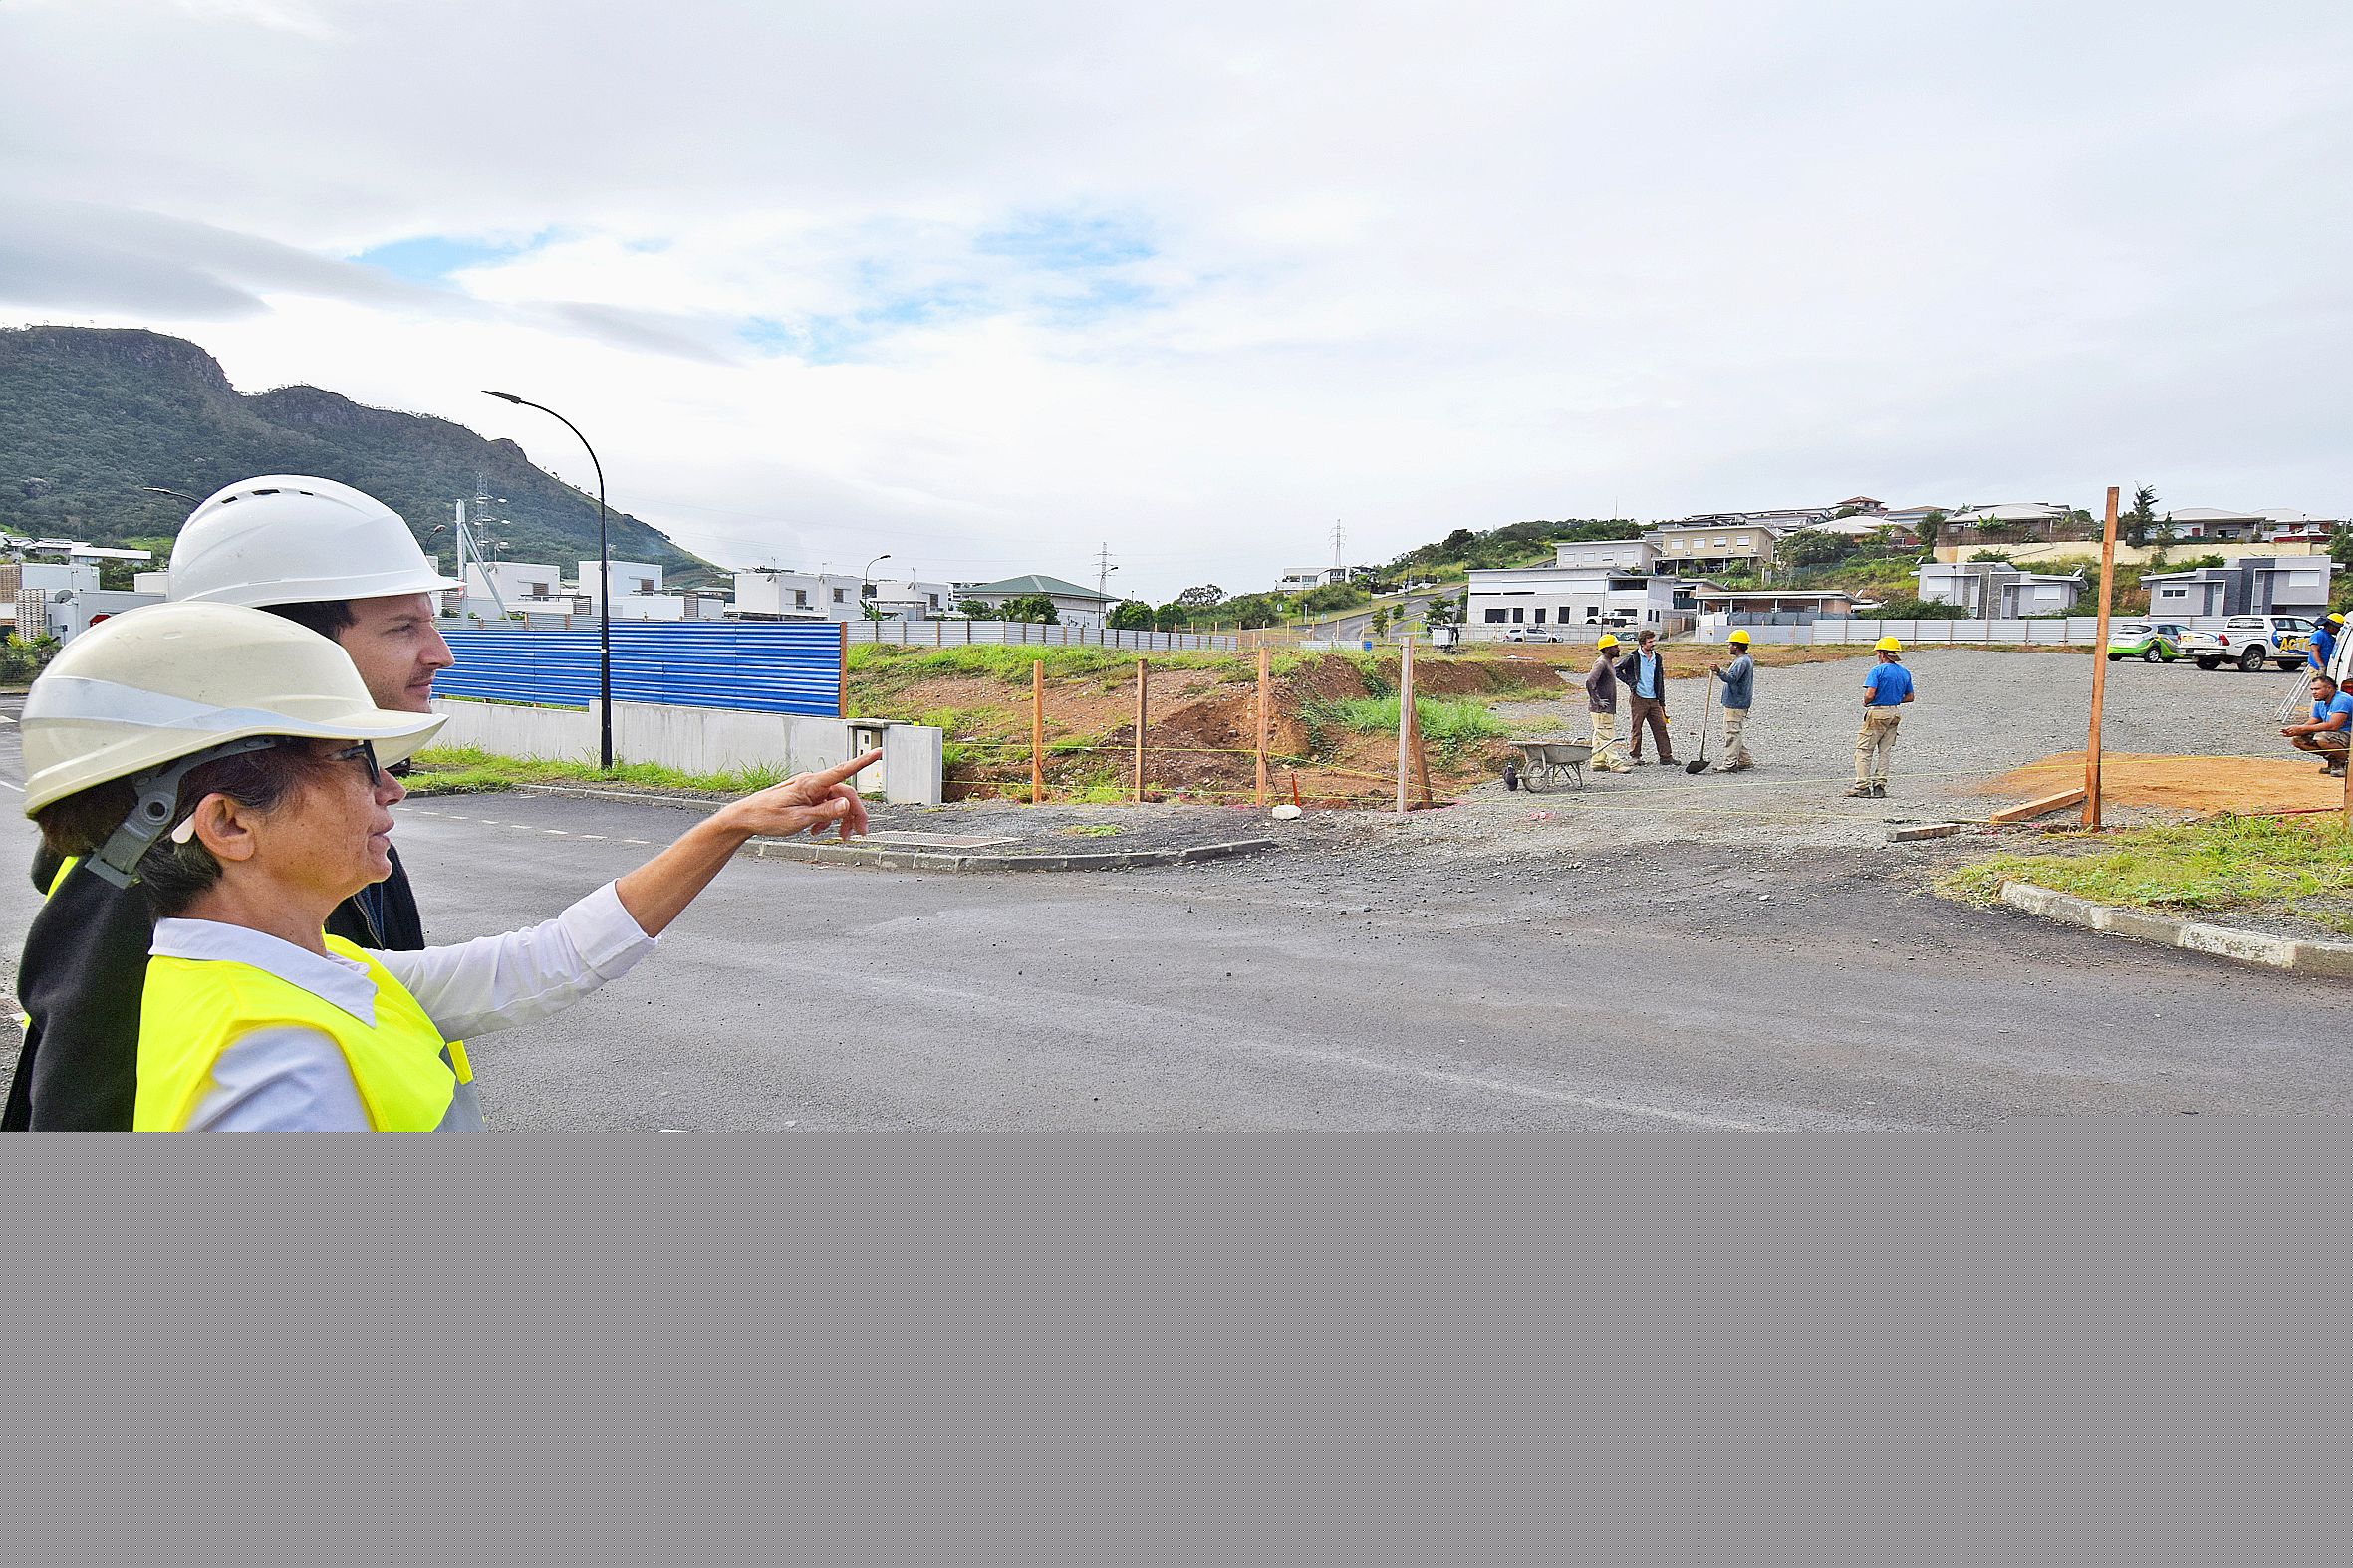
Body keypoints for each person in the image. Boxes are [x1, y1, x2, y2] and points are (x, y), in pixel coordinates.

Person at [16, 603, 880, 1131]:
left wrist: (726, 825)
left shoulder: (308, 973)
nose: (390, 786)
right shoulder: (271, 1068)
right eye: (354, 759)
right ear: (230, 824)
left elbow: (547, 960)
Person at [5, 474, 466, 1131]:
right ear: (281, 647)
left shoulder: (319, 827)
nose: (439, 654)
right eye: (401, 628)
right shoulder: (158, 876)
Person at [1847, 636, 1915, 798]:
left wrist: (1866, 701)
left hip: (1877, 712)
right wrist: (1894, 698)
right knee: (1884, 751)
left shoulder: (1877, 671)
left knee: (1864, 750)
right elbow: (1910, 697)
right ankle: (1880, 786)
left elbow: (1870, 694)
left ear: (1882, 653)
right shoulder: (1904, 672)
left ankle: (1862, 786)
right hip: (1894, 713)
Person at [1616, 629, 1674, 765]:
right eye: (1650, 641)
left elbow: (1660, 679)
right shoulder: (1632, 657)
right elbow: (1616, 669)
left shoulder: (1657, 658)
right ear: (1642, 643)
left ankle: (1665, 756)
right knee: (1637, 727)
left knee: (1660, 726)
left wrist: (1661, 701)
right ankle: (1635, 756)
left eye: (1653, 640)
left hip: (1654, 699)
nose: (1653, 643)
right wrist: (1630, 682)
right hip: (1639, 698)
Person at [2282, 672, 2353, 776]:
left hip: (2348, 734)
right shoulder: (2320, 701)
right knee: (2298, 740)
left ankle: (2345, 763)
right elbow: (2313, 721)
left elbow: (2333, 726)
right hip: (2335, 735)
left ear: (2329, 689)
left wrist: (2302, 729)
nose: (2314, 693)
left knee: (2321, 738)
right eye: (2312, 690)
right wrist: (2297, 730)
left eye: (2317, 689)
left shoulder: (2342, 700)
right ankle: (2335, 761)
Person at [1583, 634, 1632, 773]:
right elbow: (1589, 681)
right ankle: (1615, 764)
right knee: (1606, 735)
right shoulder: (1601, 663)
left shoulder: (1607, 662)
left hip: (1606, 708)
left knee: (1599, 735)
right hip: (1601, 710)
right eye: (1615, 646)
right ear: (1606, 648)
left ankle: (1597, 762)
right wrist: (1597, 700)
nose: (1618, 648)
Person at [1708, 629, 1755, 772]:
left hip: (1736, 703)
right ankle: (1745, 760)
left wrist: (1719, 672)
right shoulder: (1744, 660)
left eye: (1730, 644)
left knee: (1732, 733)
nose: (1729, 646)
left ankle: (1730, 764)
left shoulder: (1742, 662)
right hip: (1737, 702)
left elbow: (1732, 679)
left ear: (1737, 645)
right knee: (1735, 731)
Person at [2308, 612, 2343, 676]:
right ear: (2331, 626)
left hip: (2326, 667)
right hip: (2317, 669)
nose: (2338, 630)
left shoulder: (2331, 637)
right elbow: (2314, 650)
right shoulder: (2318, 634)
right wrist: (2321, 666)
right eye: (2337, 627)